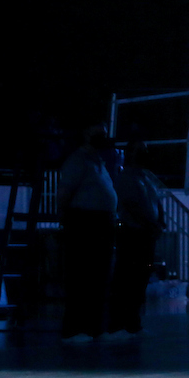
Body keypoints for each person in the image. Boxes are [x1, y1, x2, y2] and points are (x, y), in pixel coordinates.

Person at [57, 123, 119, 342]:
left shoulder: (98, 162)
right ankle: (74, 328)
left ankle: (93, 327)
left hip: (101, 223)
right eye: (97, 133)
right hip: (84, 223)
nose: (103, 137)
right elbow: (65, 192)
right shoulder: (78, 161)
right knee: (81, 275)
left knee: (98, 277)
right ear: (86, 135)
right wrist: (66, 218)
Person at [109, 141, 167, 336]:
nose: (145, 154)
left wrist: (160, 221)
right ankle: (118, 323)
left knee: (140, 279)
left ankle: (134, 322)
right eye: (140, 151)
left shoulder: (147, 176)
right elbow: (131, 205)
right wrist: (150, 223)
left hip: (146, 233)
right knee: (128, 277)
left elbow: (157, 199)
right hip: (132, 232)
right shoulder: (125, 177)